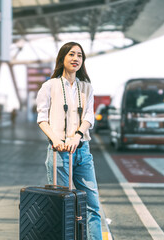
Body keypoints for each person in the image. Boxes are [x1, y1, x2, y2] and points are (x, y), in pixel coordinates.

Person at [36, 42, 102, 240]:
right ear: (62, 58)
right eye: (71, 54)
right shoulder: (49, 86)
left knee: (92, 206)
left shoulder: (87, 88)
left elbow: (89, 117)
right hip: (59, 153)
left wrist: (77, 136)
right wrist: (56, 139)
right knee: (62, 208)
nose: (76, 59)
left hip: (82, 152)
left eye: (80, 55)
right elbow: (42, 118)